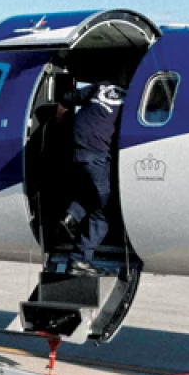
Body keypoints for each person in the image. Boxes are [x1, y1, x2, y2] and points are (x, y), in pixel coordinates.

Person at [66, 82, 124, 273]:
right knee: (104, 211)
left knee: (91, 193)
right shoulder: (132, 99)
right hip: (97, 153)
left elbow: (68, 98)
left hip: (76, 148)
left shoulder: (101, 85)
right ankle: (79, 259)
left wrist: (61, 114)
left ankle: (71, 216)